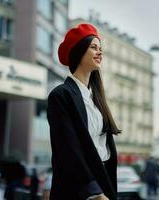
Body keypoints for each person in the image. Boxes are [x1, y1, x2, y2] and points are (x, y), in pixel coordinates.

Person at [46, 23, 121, 200]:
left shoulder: (97, 99)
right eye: (93, 47)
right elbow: (69, 150)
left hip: (103, 183)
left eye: (100, 48)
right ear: (79, 52)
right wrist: (95, 193)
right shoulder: (60, 96)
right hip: (77, 189)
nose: (100, 52)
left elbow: (105, 148)